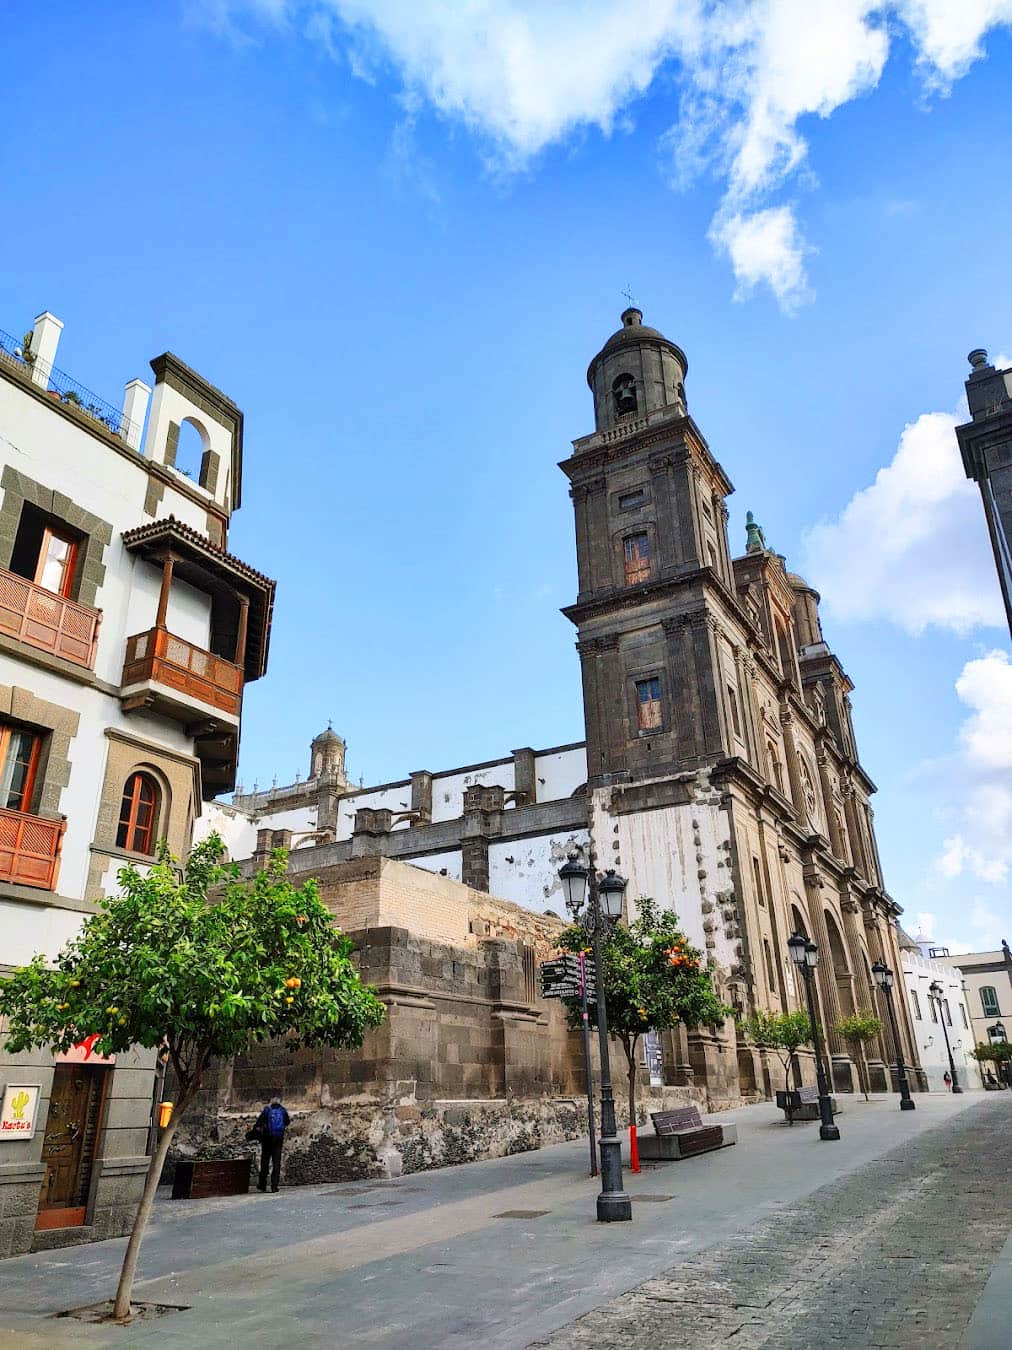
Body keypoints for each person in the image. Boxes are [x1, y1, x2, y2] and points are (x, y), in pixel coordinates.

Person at [254, 1097, 290, 1193]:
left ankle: (262, 1184)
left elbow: (258, 1124)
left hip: (267, 1139)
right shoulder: (283, 1111)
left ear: (271, 1102)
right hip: (278, 1139)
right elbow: (287, 1122)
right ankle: (274, 1186)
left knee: (265, 1161)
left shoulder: (267, 1110)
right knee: (276, 1162)